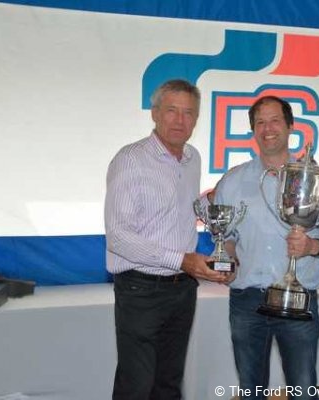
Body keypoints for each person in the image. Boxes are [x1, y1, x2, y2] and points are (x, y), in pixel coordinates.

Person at [213, 95, 319, 400]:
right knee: (251, 391)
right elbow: (226, 238)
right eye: (260, 122)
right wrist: (227, 260)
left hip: (298, 300)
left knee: (302, 391)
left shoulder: (316, 180)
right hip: (246, 301)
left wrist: (312, 246)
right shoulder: (232, 182)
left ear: (290, 127)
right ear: (253, 131)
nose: (267, 129)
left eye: (275, 120)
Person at [104, 79, 232, 400]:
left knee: (169, 384)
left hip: (182, 289)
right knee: (136, 386)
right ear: (155, 113)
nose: (180, 120)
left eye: (188, 113)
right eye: (172, 110)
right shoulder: (130, 159)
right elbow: (118, 237)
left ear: (197, 119)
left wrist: (210, 203)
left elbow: (182, 209)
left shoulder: (193, 158)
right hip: (141, 289)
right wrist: (183, 260)